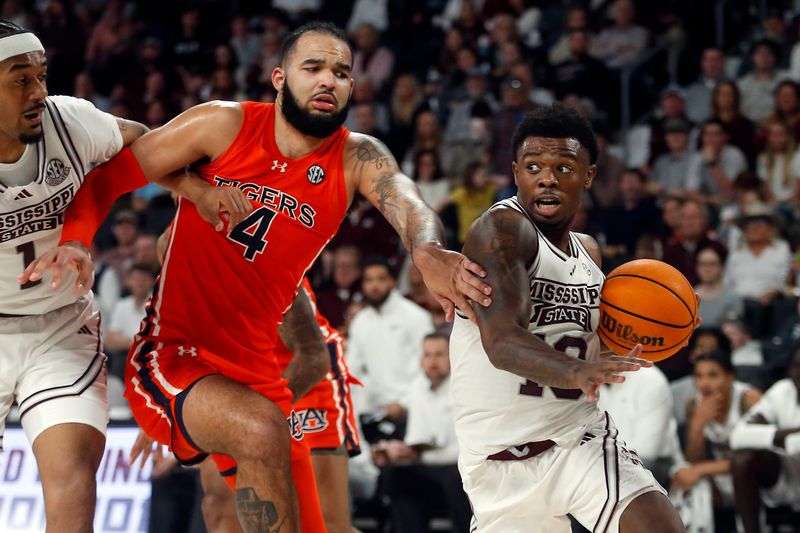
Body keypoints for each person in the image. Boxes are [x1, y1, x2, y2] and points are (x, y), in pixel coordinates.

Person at [26, 21, 490, 532]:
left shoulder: (357, 156)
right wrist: (75, 238)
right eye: (312, 68)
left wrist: (426, 250)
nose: (328, 81)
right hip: (173, 352)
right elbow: (112, 175)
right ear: (278, 78)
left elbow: (405, 199)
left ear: (353, 87)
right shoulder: (223, 125)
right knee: (255, 439)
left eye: (341, 72)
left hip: (259, 372)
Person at [0, 19, 239, 533]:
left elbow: (147, 146)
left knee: (73, 479)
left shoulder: (71, 121)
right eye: (21, 79)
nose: (39, 92)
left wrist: (193, 189)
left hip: (58, 324)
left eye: (41, 76)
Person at [449, 104, 686, 532]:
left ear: (589, 176)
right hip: (497, 462)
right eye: (534, 166)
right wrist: (577, 370)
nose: (547, 178)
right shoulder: (502, 230)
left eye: (564, 167)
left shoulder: (590, 252)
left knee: (658, 525)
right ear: (516, 172)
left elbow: (592, 341)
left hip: (579, 440)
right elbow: (501, 342)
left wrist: (654, 337)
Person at [375, 331, 471, 533]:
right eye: (427, 355)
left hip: (457, 468)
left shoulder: (465, 387)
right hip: (427, 466)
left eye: (439, 355)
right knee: (395, 475)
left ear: (452, 356)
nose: (432, 362)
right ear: (420, 360)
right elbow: (413, 437)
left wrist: (419, 452)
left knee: (456, 478)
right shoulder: (417, 387)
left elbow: (464, 449)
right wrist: (398, 451)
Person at [672, 350, 761, 531]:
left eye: (713, 375)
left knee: (695, 473)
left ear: (730, 377)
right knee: (681, 476)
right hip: (722, 475)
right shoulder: (693, 404)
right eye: (699, 376)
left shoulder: (749, 400)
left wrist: (700, 469)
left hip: (755, 475)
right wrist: (698, 425)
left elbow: (758, 458)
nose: (704, 383)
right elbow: (693, 458)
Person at [730, 346, 800, 533]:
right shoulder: (783, 390)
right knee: (743, 460)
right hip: (788, 480)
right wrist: (781, 436)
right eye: (796, 366)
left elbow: (795, 447)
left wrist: (776, 437)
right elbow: (738, 436)